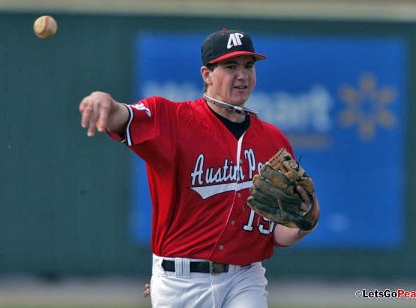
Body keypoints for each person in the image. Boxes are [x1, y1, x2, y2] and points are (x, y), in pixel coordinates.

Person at [79, 29, 320, 308]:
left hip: (245, 278)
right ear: (207, 74)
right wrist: (104, 101)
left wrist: (307, 219)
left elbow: (280, 235)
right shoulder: (172, 119)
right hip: (181, 283)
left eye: (248, 66)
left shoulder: (274, 140)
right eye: (231, 66)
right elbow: (122, 117)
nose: (242, 75)